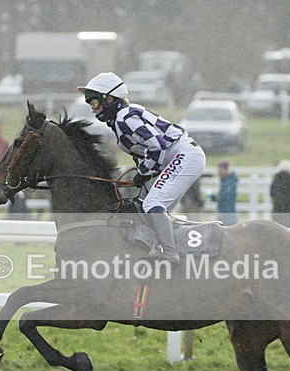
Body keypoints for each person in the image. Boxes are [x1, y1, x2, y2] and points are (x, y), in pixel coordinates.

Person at [78, 72, 206, 263]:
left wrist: (143, 172)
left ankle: (170, 254)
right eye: (90, 104)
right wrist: (145, 171)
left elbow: (158, 145)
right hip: (181, 156)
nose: (93, 109)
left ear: (110, 98)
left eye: (95, 103)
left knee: (152, 205)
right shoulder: (122, 118)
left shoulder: (124, 118)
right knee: (151, 212)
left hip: (184, 155)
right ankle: (159, 250)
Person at [270, 159, 290, 228]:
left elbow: (271, 192)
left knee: (277, 226)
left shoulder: (276, 178)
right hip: (288, 206)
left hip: (277, 206)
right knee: (288, 226)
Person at [216, 160, 239, 226]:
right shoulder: (225, 180)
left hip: (228, 212)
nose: (219, 171)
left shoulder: (229, 182)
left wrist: (216, 197)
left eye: (220, 168)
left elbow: (226, 197)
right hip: (224, 211)